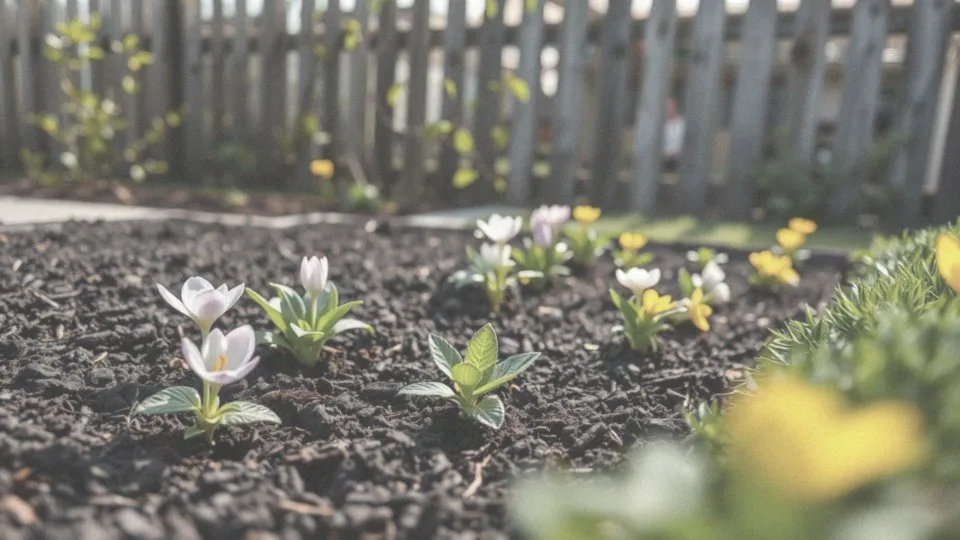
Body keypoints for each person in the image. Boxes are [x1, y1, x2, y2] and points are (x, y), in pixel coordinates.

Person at [663, 97, 684, 171]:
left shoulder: (682, 124)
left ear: (675, 107)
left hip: (677, 159)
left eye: (670, 106)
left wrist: (672, 154)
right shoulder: (661, 124)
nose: (668, 109)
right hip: (661, 158)